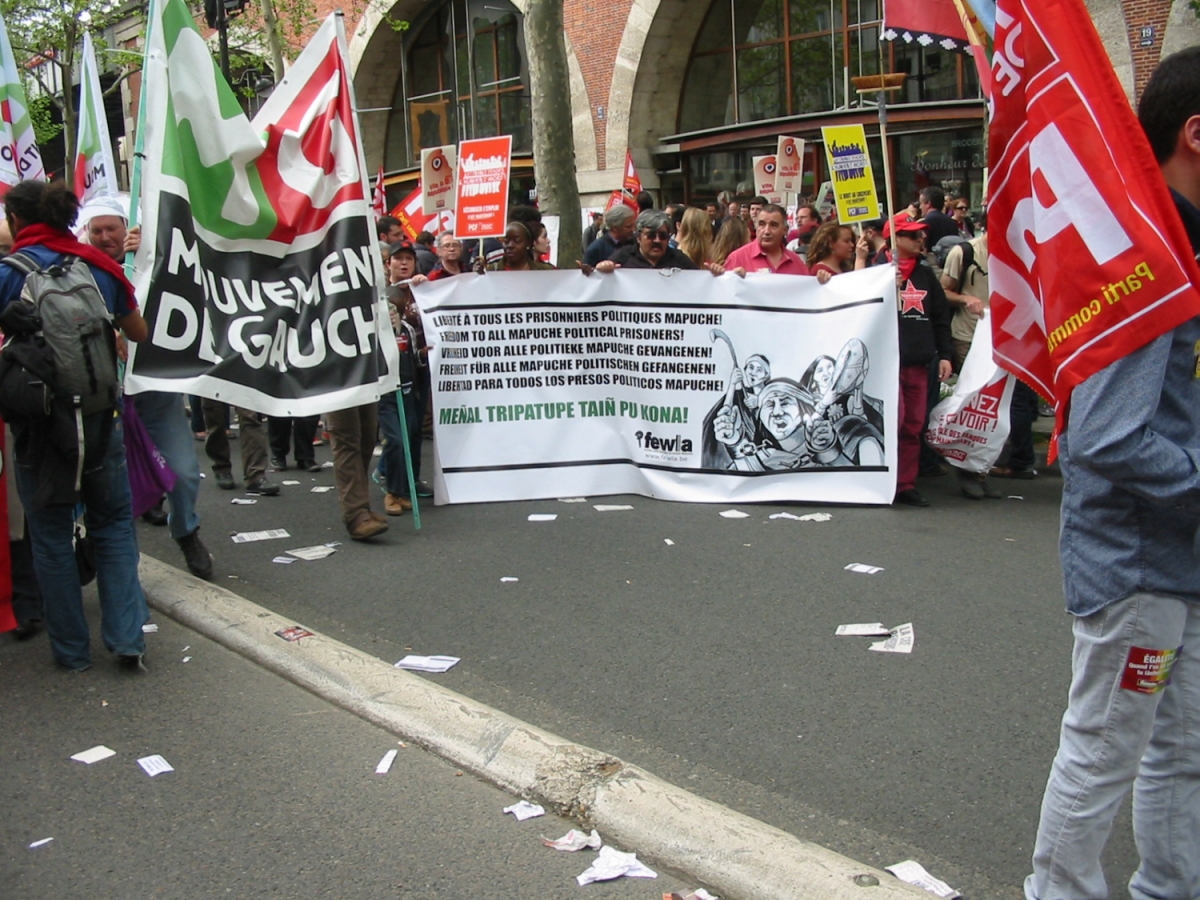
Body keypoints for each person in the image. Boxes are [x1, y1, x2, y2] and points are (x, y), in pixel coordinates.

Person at [1024, 47, 1200, 900]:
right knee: (1105, 747)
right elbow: (1104, 438)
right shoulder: (1147, 260)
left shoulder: (1179, 245)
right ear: (1197, 135)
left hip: (1179, 557)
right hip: (1136, 567)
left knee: (1185, 748)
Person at [0, 180, 149, 671]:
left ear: (19, 221)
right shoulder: (99, 267)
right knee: (112, 526)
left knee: (50, 535)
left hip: (40, 429)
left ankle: (70, 652)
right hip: (100, 418)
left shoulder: (7, 273)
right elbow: (138, 331)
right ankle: (128, 639)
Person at [78, 198, 215, 579]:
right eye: (97, 230)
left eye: (112, 229)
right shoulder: (77, 271)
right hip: (105, 396)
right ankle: (112, 553)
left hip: (156, 388)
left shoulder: (148, 256)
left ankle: (186, 530)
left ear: (127, 229)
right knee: (111, 483)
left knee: (185, 473)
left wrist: (153, 250)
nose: (106, 237)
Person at [889, 217, 952, 507]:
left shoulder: (926, 275)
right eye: (912, 236)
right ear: (894, 238)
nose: (920, 241)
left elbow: (940, 318)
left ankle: (905, 484)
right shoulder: (875, 271)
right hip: (887, 363)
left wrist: (945, 355)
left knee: (913, 425)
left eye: (921, 236)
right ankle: (883, 480)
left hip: (918, 361)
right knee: (892, 422)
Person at [939, 230, 1001, 501]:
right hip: (969, 337)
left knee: (998, 407)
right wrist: (966, 299)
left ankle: (981, 468)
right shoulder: (964, 253)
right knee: (974, 403)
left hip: (1005, 339)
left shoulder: (1019, 250)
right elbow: (944, 291)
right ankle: (967, 470)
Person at [379, 240, 428, 515]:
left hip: (411, 386)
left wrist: (423, 354)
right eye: (399, 258)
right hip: (387, 389)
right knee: (395, 439)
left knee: (410, 434)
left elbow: (415, 355)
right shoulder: (378, 298)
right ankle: (390, 487)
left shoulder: (419, 293)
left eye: (410, 258)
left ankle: (404, 486)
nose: (404, 262)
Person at [722, 204, 810, 276]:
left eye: (773, 225)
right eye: (762, 224)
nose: (767, 231)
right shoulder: (737, 259)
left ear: (785, 230)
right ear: (755, 227)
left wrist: (823, 281)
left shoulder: (796, 262)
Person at [597, 209, 697, 272]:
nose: (657, 241)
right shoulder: (623, 257)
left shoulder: (679, 259)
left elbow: (699, 282)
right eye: (651, 236)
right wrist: (603, 267)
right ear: (638, 237)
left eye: (663, 236)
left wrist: (712, 274)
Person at [478, 221, 556, 272]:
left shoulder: (545, 271)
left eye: (517, 241)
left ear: (528, 244)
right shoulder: (492, 271)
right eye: (506, 241)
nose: (510, 246)